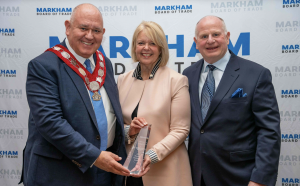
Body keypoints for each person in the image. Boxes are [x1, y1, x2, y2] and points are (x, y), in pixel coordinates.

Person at [19, 4, 130, 186]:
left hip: (106, 170)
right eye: (83, 28)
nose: (89, 35)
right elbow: (50, 122)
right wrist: (93, 156)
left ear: (103, 33)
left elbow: (105, 115)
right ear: (68, 27)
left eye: (96, 30)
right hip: (61, 173)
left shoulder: (104, 63)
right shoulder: (44, 66)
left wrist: (125, 131)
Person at [183, 15, 281, 186]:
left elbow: (269, 132)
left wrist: (260, 180)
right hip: (197, 175)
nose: (210, 41)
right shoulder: (188, 75)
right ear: (196, 43)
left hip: (239, 177)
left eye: (216, 34)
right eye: (204, 36)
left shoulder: (256, 74)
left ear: (227, 37)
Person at [117, 21, 193, 186]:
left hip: (167, 170)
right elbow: (115, 124)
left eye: (152, 43)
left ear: (161, 48)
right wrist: (130, 131)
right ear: (134, 47)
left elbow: (181, 129)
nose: (146, 48)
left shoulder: (177, 81)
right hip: (129, 172)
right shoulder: (122, 80)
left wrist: (152, 155)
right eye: (141, 43)